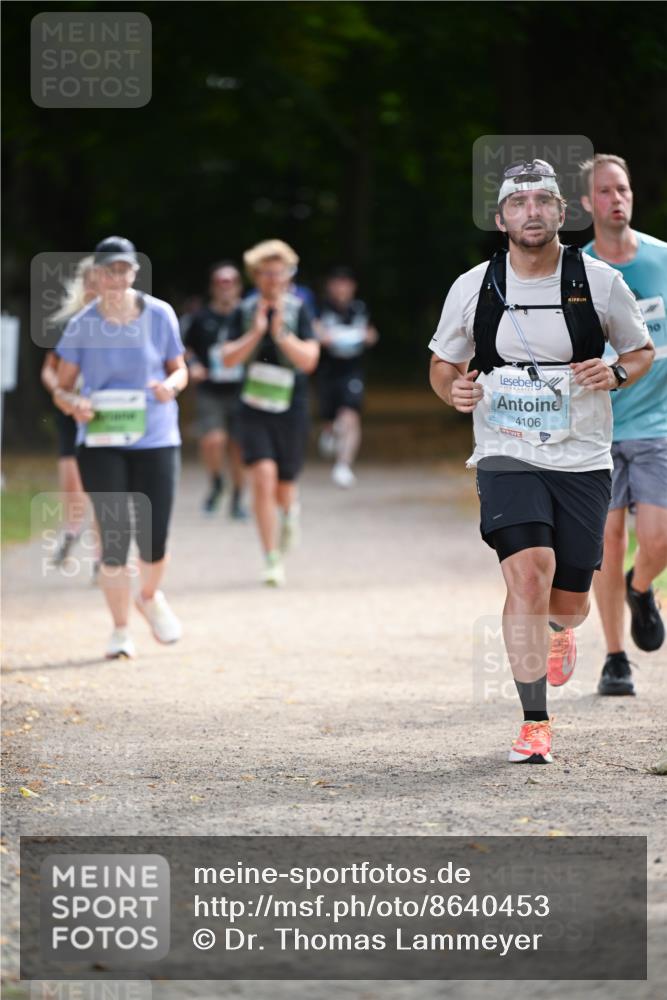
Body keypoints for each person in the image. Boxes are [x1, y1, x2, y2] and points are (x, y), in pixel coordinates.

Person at [428, 159, 653, 764]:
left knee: (571, 602)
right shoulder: (474, 285)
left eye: (543, 201)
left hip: (581, 456)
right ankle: (534, 722)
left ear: (562, 212)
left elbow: (640, 351)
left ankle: (557, 634)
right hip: (506, 448)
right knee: (528, 571)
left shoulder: (600, 281)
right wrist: (453, 390)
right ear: (501, 218)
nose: (532, 212)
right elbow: (444, 365)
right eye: (519, 202)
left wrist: (615, 372)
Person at [54, 236, 188, 659]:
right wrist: (74, 403)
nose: (116, 277)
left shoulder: (160, 314)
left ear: (134, 271)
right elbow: (61, 387)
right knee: (114, 537)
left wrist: (170, 387)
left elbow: (179, 369)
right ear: (95, 274)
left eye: (123, 269)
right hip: (102, 439)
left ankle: (148, 596)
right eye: (108, 270)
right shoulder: (81, 324)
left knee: (155, 536)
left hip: (156, 436)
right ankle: (120, 630)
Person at [579, 154, 667, 696]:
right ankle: (615, 658)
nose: (618, 198)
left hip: (659, 423)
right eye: (606, 192)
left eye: (624, 189)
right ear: (587, 204)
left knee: (657, 540)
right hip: (597, 428)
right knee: (606, 541)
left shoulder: (661, 258)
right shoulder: (577, 270)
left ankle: (641, 589)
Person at [223, 239, 319, 586]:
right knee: (261, 476)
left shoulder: (299, 310)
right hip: (252, 405)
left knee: (283, 487)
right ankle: (270, 557)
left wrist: (280, 334)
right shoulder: (243, 311)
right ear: (255, 276)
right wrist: (257, 333)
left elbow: (309, 360)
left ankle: (290, 514)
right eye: (265, 273)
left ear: (288, 275)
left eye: (278, 273)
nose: (272, 279)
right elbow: (227, 357)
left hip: (291, 405)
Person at [41, 256, 99, 569]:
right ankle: (73, 528)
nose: (96, 288)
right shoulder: (66, 324)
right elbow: (48, 370)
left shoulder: (123, 324)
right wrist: (60, 392)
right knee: (72, 479)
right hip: (70, 410)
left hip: (104, 413)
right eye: (90, 281)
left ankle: (102, 557)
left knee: (102, 482)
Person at [181, 262, 247, 518]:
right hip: (210, 388)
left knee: (239, 446)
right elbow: (184, 348)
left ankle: (239, 497)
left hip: (242, 389)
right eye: (221, 282)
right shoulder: (200, 318)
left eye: (230, 282)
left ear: (239, 286)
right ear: (212, 287)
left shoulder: (247, 316)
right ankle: (217, 481)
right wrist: (193, 364)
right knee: (213, 439)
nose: (225, 287)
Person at [314, 267, 379, 488]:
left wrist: (367, 337)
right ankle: (329, 432)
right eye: (337, 283)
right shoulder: (321, 309)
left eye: (346, 283)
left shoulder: (359, 308)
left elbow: (371, 334)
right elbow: (316, 333)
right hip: (326, 371)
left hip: (352, 371)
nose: (342, 288)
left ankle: (343, 465)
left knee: (350, 415)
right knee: (331, 419)